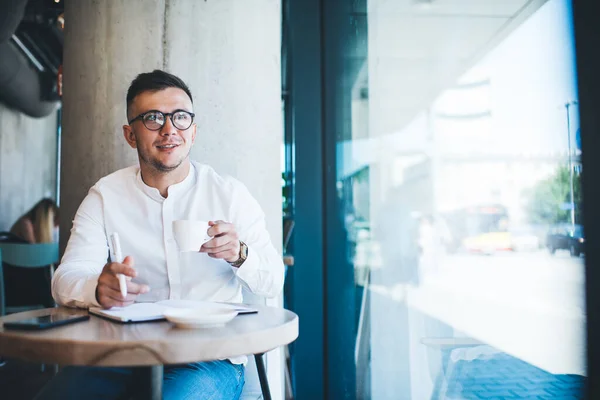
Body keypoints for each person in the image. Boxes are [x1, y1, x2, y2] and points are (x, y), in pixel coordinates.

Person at [36, 70, 285, 400]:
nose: (169, 129)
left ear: (193, 132)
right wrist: (97, 287)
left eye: (181, 118)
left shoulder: (230, 195)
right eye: (153, 118)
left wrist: (240, 253)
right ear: (130, 134)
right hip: (121, 354)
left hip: (209, 359)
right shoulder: (105, 196)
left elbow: (273, 279)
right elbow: (64, 279)